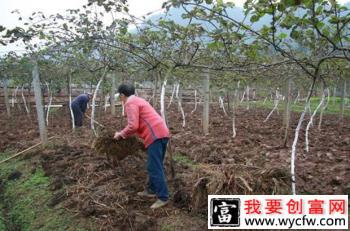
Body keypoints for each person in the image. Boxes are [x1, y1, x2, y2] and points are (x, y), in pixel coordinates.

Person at [114, 83, 170, 209]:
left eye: (120, 96)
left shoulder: (130, 103)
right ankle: (151, 190)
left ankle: (163, 197)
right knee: (155, 165)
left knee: (154, 167)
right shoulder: (138, 100)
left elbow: (133, 126)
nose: (120, 99)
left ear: (122, 95)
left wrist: (120, 134)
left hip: (155, 135)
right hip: (162, 132)